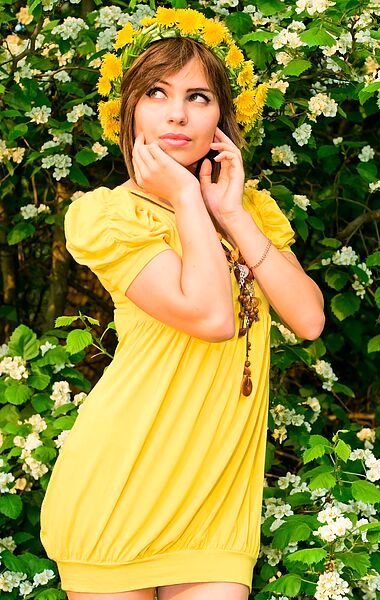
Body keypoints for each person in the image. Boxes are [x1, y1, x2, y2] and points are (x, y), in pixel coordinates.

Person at [39, 8, 325, 600]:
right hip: (121, 487)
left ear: (222, 117)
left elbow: (309, 318)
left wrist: (234, 214)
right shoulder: (109, 215)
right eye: (157, 93)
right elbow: (213, 318)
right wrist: (189, 200)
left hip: (217, 497)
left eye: (198, 97)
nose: (177, 113)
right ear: (129, 111)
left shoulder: (246, 210)